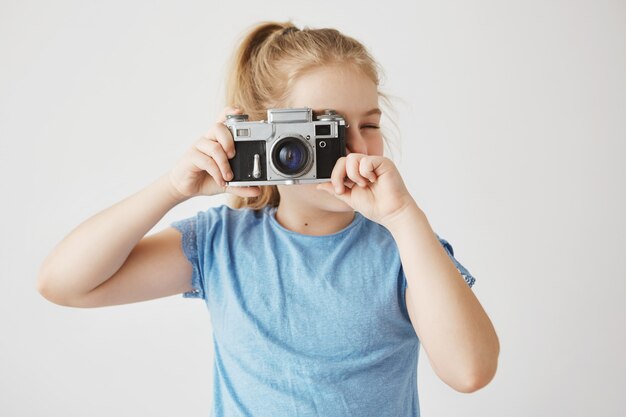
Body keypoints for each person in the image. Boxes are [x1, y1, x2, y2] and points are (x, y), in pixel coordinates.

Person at [37, 21, 499, 417]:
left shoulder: (405, 249)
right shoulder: (219, 243)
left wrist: (402, 217)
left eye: (370, 125)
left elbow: (470, 371)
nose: (355, 146)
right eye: (326, 128)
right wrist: (173, 189)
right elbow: (64, 283)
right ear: (266, 138)